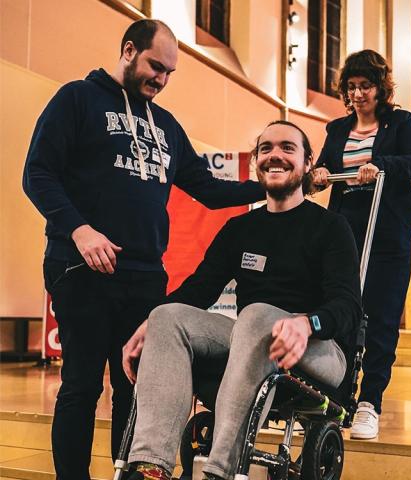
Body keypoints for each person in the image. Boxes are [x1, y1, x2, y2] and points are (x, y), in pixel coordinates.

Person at [22, 19, 264, 480]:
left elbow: (207, 190)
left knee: (135, 387)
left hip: (144, 276)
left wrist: (274, 186)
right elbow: (37, 175)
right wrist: (79, 230)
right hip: (81, 267)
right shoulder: (77, 99)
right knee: (82, 384)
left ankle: (127, 474)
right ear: (129, 50)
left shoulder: (167, 125)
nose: (163, 79)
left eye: (171, 72)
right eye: (157, 66)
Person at [122, 120, 362, 480]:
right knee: (167, 316)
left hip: (320, 348)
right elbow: (199, 289)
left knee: (256, 314)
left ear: (308, 163)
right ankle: (150, 467)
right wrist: (149, 324)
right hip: (253, 339)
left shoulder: (330, 227)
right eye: (265, 149)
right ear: (256, 162)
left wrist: (306, 322)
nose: (275, 156)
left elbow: (348, 308)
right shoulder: (240, 229)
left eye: (287, 148)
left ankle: (219, 472)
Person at [314, 49, 411, 439]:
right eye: (352, 87)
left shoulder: (398, 122)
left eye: (366, 86)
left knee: (381, 317)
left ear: (381, 88)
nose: (359, 94)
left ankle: (370, 402)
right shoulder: (336, 130)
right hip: (346, 233)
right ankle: (339, 396)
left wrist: (382, 166)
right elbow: (326, 168)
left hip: (388, 233)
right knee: (343, 313)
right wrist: (319, 175)